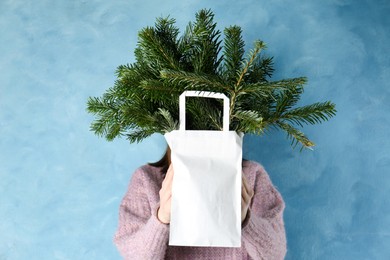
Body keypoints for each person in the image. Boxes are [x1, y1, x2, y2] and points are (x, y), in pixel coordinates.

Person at [114, 147, 287, 259]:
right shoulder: (146, 179)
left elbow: (275, 254)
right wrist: (161, 218)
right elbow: (133, 255)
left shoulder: (251, 175)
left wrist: (246, 220)